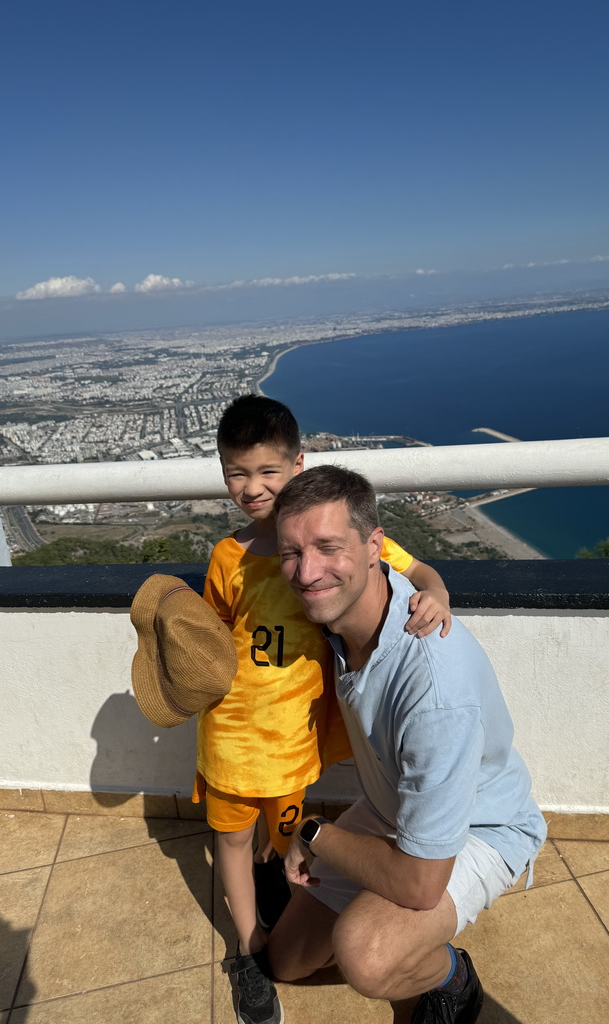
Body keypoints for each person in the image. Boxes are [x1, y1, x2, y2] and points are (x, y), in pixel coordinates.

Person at [196, 395, 452, 1024]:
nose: (251, 488)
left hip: (292, 741)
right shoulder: (228, 557)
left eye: (267, 471)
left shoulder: (326, 539)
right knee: (232, 838)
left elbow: (413, 566)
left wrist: (437, 593)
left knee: (285, 836)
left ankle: (278, 910)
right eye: (236, 472)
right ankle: (248, 946)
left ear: (299, 463)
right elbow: (209, 639)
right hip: (230, 736)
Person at [268, 465, 546, 1024]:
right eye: (292, 553)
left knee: (366, 956)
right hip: (395, 804)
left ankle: (452, 977)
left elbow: (419, 887)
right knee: (286, 961)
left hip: (482, 826)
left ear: (375, 548)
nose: (306, 572)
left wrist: (316, 834)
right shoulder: (348, 619)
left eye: (328, 547)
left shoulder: (432, 687)